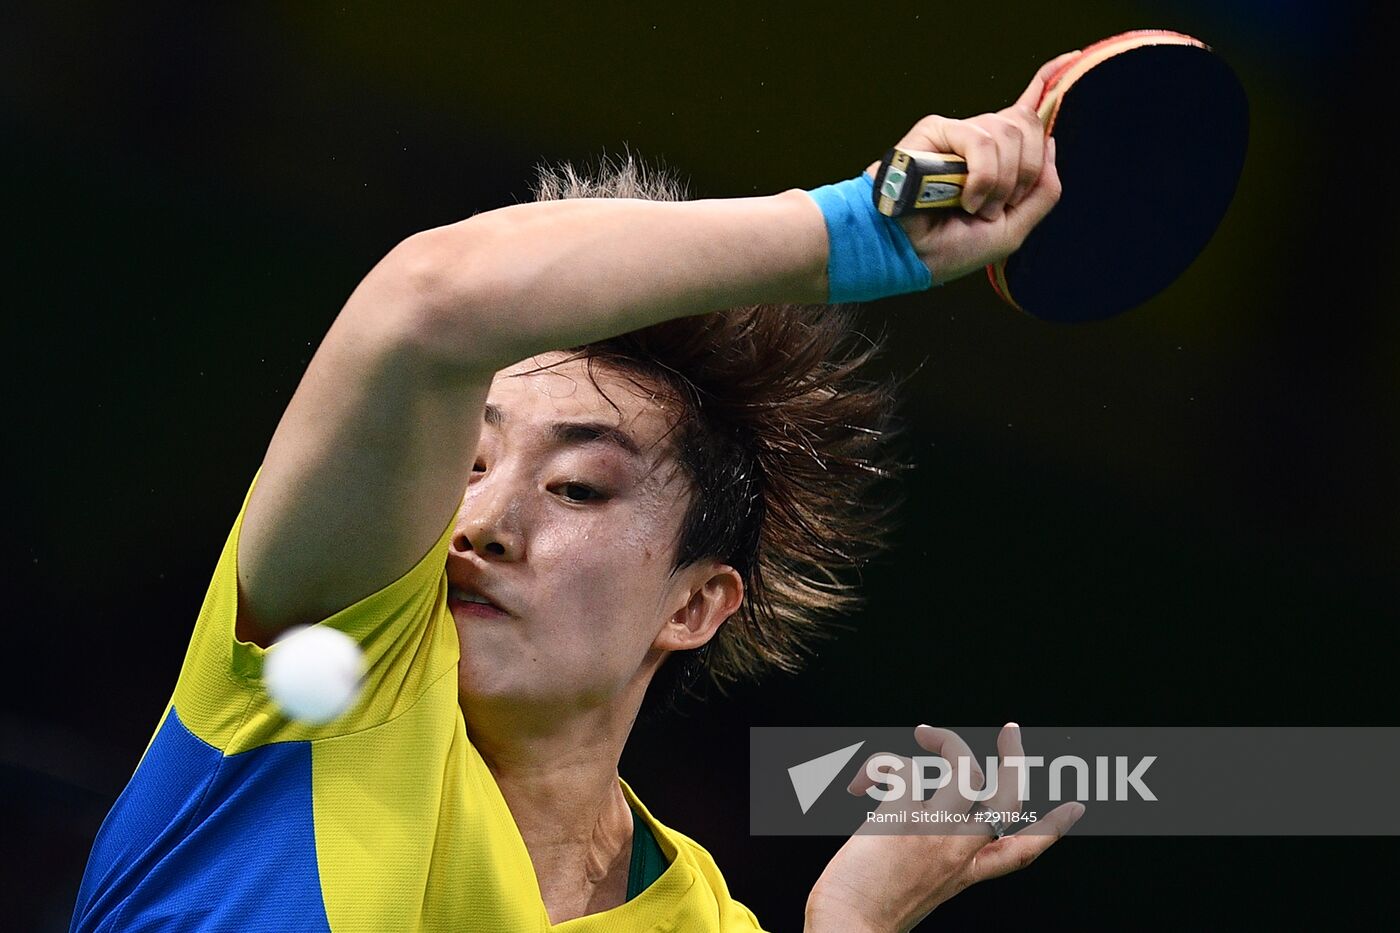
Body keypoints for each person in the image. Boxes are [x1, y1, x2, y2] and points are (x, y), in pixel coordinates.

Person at [71, 51, 1085, 933]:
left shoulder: (697, 918)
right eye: (463, 470)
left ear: (694, 605)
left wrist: (849, 921)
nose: (479, 525)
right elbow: (433, 304)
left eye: (577, 488)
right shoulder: (323, 668)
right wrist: (856, 236)